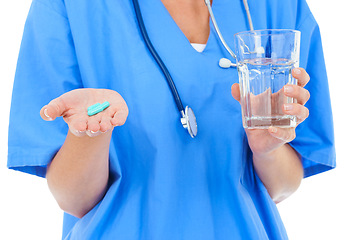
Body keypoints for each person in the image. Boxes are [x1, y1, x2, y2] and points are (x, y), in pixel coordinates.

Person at [7, 0, 336, 239]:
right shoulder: (67, 7)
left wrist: (266, 149)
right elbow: (71, 198)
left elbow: (282, 186)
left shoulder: (280, 6)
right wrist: (90, 132)